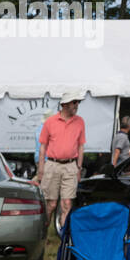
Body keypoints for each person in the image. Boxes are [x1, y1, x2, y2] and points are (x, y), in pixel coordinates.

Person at [33, 91, 86, 230]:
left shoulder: (80, 121)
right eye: (74, 102)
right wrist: (41, 168)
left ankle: (63, 240)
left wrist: (79, 168)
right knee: (50, 205)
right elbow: (42, 147)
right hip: (52, 165)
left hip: (71, 166)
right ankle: (43, 233)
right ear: (64, 104)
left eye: (78, 102)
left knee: (67, 203)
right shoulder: (50, 122)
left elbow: (81, 147)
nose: (77, 105)